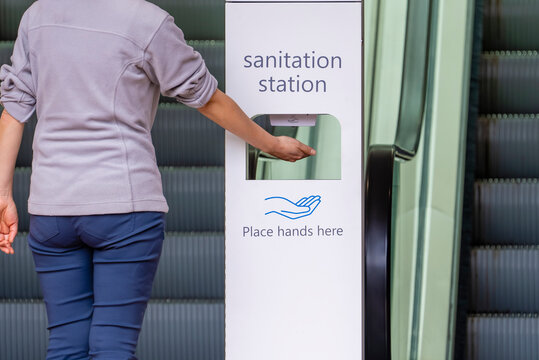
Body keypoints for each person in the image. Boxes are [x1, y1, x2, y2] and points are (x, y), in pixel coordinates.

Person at [0, 0, 315, 359]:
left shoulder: (37, 16)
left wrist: (3, 194)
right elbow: (207, 99)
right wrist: (271, 143)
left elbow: (13, 112)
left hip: (51, 209)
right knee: (112, 347)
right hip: (124, 206)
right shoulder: (146, 20)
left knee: (65, 346)